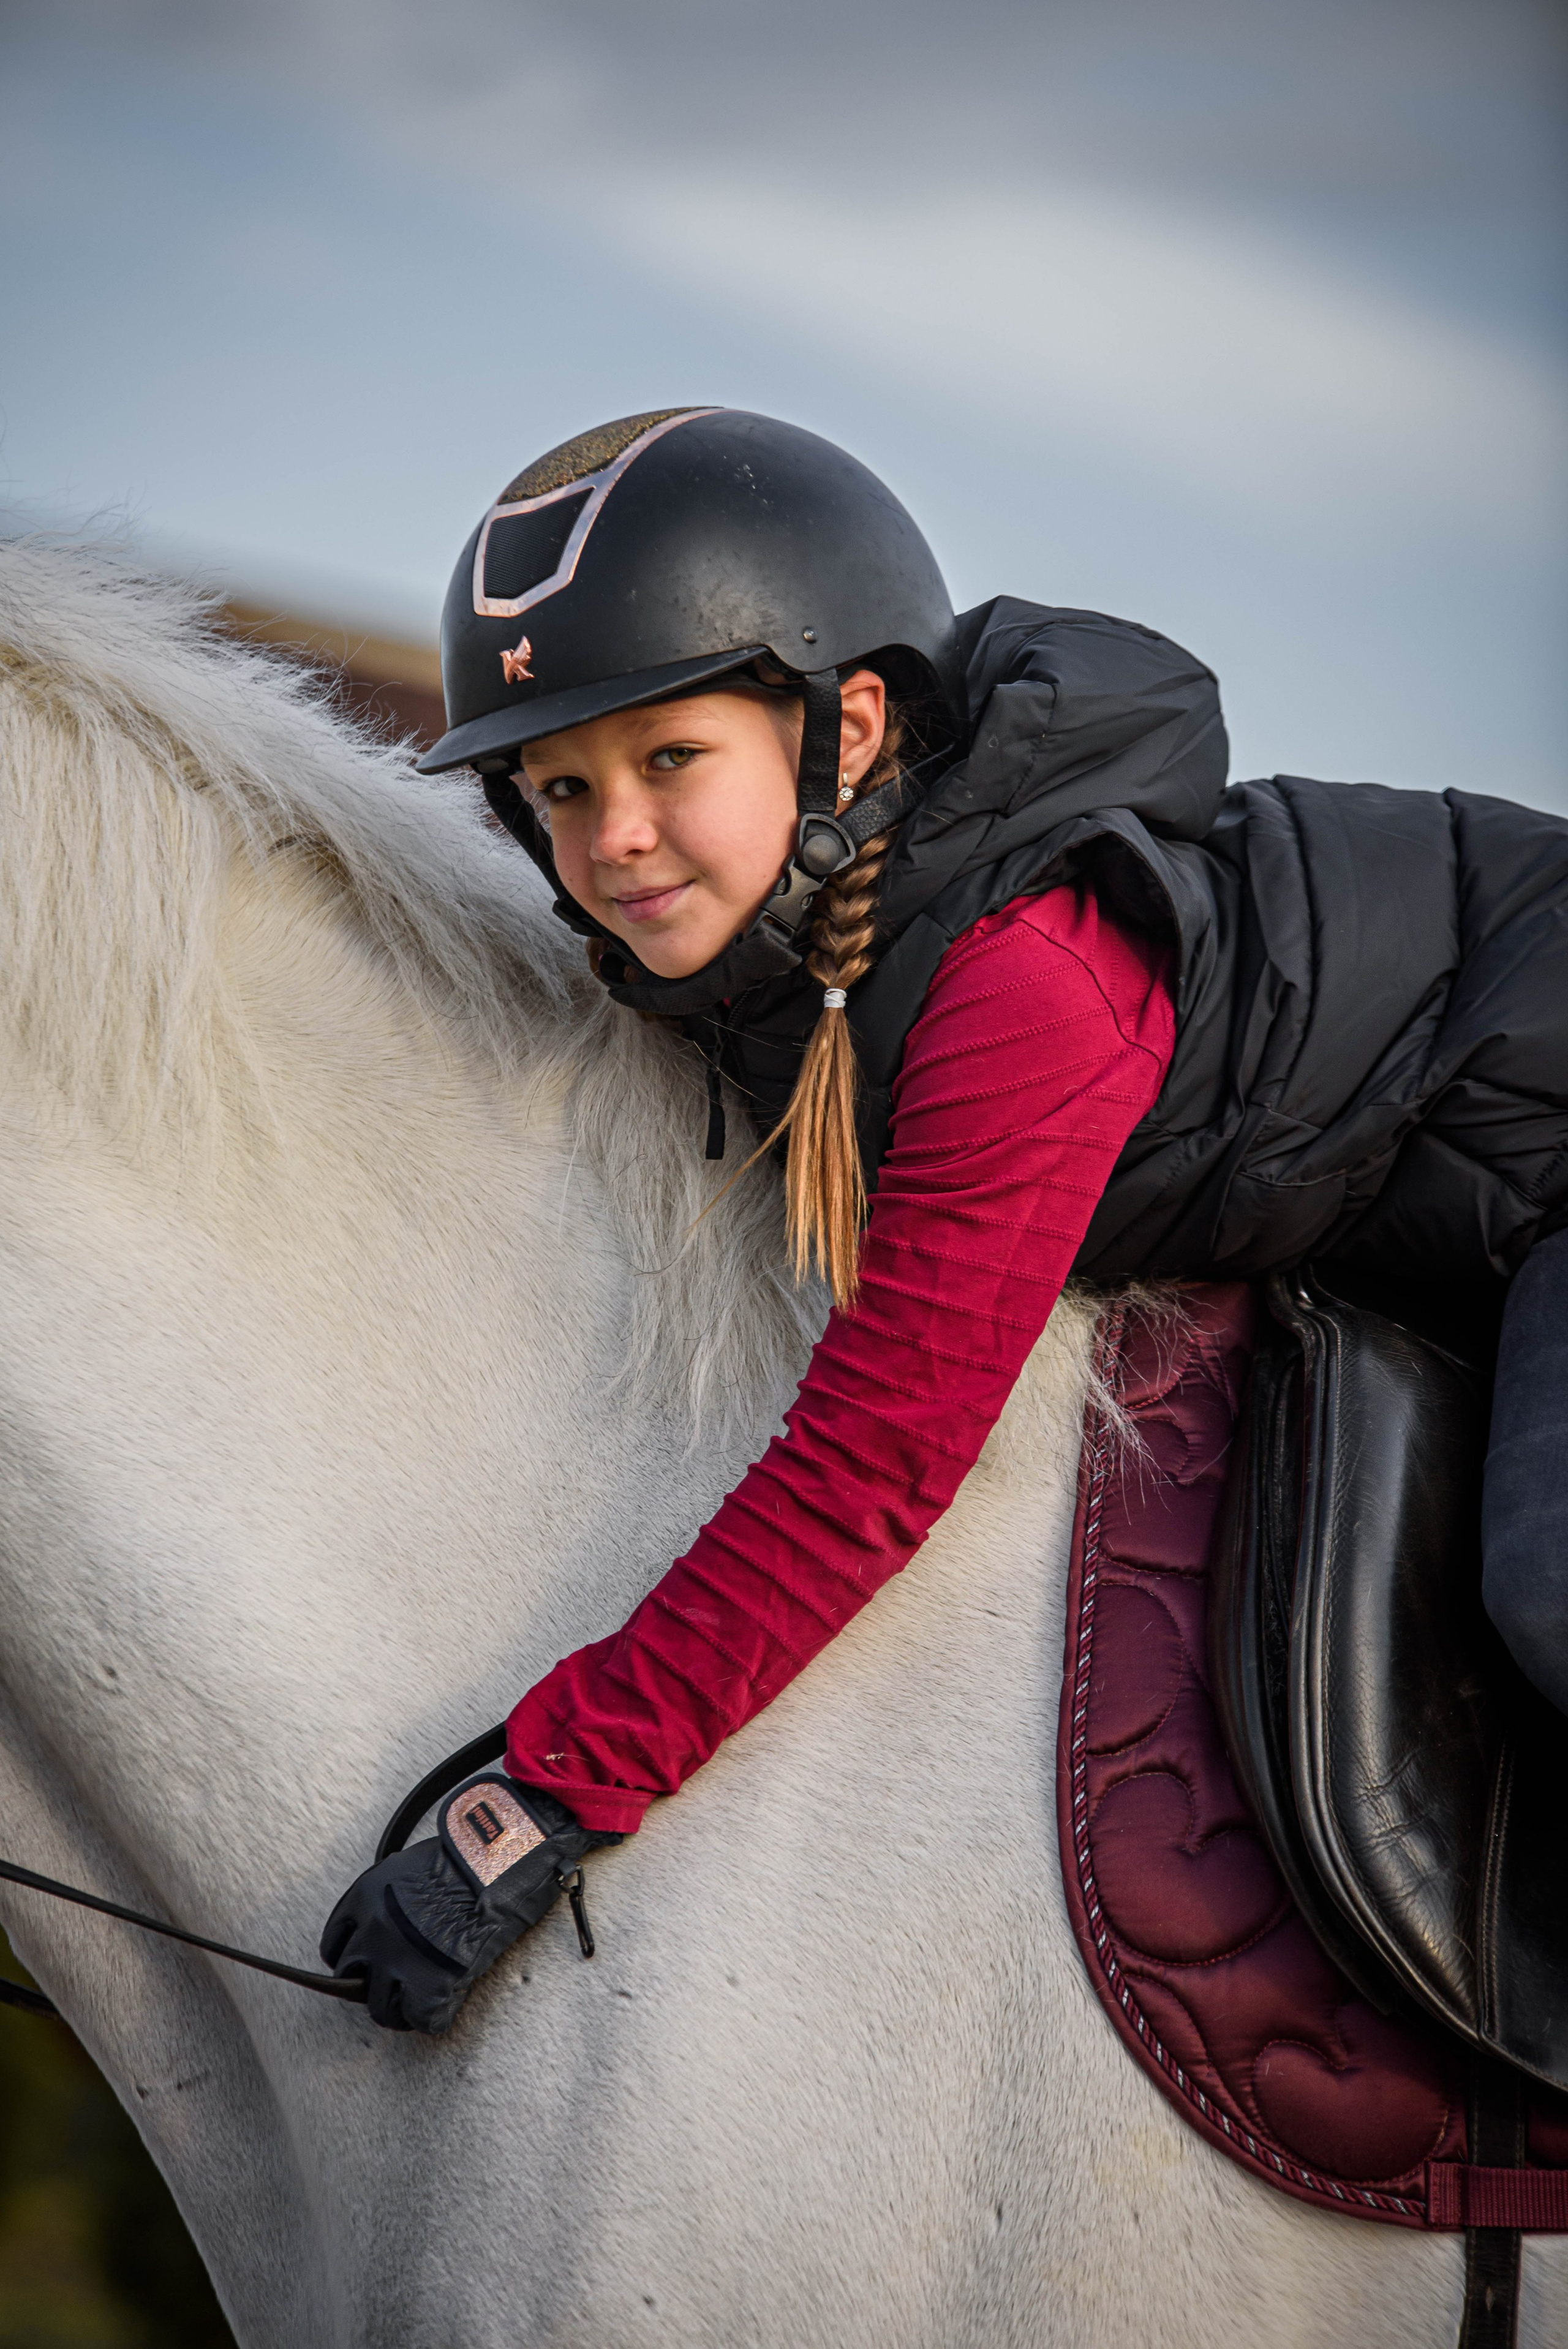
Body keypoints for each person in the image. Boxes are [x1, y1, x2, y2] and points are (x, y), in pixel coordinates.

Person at [320, 407, 1568, 2032]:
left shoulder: (1024, 976)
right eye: (558, 788)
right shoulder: (783, 927)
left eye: (668, 758)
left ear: (847, 726)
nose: (612, 835)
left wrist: (550, 1793)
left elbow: (880, 1450)